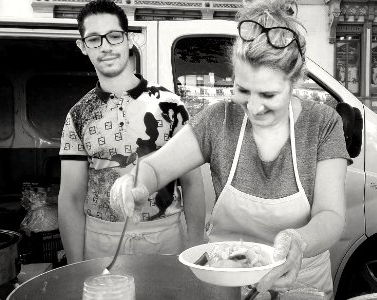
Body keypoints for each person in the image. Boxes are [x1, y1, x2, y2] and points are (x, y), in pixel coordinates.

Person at [110, 0, 351, 297]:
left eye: (269, 94)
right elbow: (155, 167)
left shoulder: (323, 123)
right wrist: (133, 185)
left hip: (300, 280)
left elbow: (330, 214)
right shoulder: (219, 119)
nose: (253, 107)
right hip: (225, 281)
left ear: (295, 81)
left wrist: (298, 241)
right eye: (242, 90)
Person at [58, 0, 206, 264]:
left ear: (129, 40)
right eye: (94, 39)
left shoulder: (171, 106)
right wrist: (74, 266)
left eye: (114, 36)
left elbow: (192, 184)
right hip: (101, 243)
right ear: (83, 46)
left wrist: (196, 250)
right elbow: (70, 197)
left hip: (166, 237)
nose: (105, 46)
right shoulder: (77, 115)